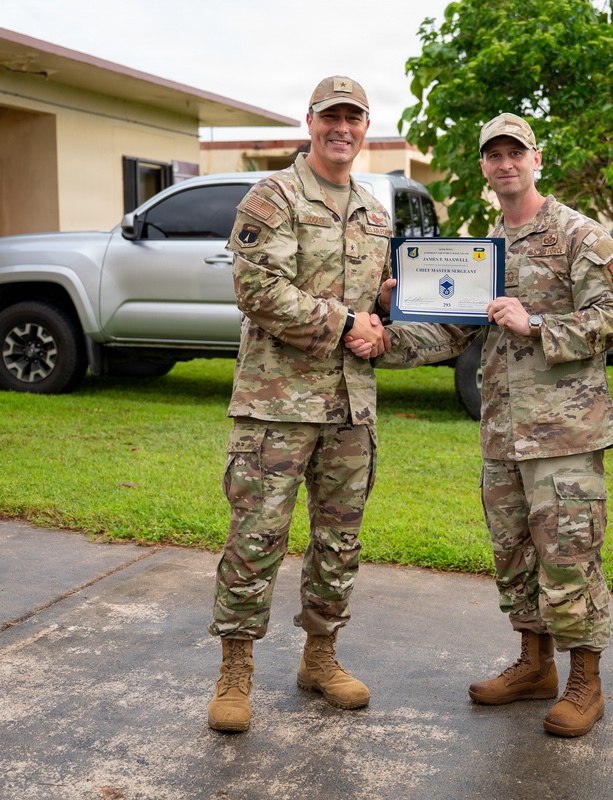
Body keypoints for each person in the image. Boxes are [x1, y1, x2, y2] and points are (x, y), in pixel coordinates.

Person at [350, 112, 613, 737]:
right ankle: (535, 665)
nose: (505, 164)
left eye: (516, 153)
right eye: (493, 156)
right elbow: (453, 328)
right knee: (513, 555)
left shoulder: (578, 236)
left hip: (564, 433)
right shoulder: (482, 250)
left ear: (537, 160)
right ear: (483, 168)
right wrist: (384, 336)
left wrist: (538, 324)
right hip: (503, 431)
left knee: (569, 555)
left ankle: (586, 679)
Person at [206, 75, 392, 733]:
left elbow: (373, 301)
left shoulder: (374, 211)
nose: (342, 128)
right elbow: (257, 289)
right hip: (277, 406)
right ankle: (235, 671)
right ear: (309, 122)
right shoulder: (273, 196)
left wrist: (397, 305)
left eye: (354, 117)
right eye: (331, 116)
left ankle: (321, 656)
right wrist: (347, 323)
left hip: (348, 407)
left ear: (366, 127)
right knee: (256, 537)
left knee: (339, 540)